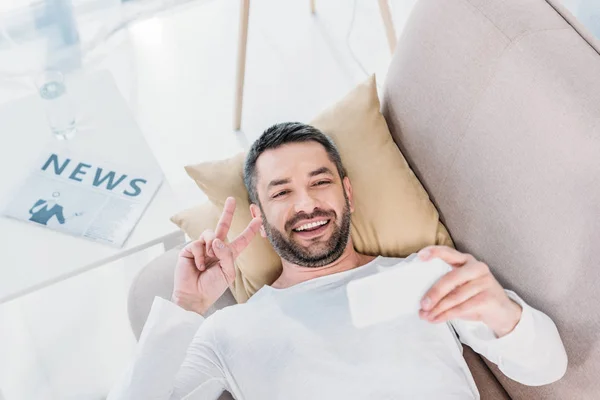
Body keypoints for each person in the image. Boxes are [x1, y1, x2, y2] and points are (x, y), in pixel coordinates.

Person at [108, 123, 567, 399]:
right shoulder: (227, 331)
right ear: (260, 218)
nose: (306, 204)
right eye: (282, 192)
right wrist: (186, 307)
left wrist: (504, 314)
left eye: (320, 182)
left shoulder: (424, 275)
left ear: (347, 193)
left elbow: (547, 368)